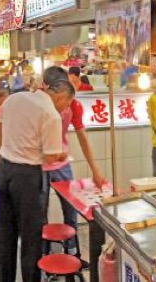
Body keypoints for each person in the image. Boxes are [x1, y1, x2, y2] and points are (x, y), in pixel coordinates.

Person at [0, 69, 70, 282]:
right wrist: (61, 154)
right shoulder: (51, 114)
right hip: (27, 178)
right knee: (31, 239)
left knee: (5, 235)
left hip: (4, 171)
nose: (66, 109)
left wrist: (1, 157)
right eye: (67, 103)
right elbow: (50, 157)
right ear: (60, 95)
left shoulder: (13, 99)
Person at [42, 67, 106, 258]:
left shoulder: (73, 105)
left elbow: (82, 138)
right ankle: (43, 254)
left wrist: (95, 171)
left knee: (70, 209)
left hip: (62, 164)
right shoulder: (38, 106)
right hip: (39, 164)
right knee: (40, 211)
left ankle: (72, 252)